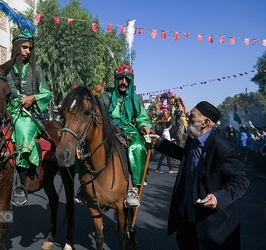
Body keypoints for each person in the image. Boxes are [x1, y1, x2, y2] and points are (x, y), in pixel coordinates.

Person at [150, 101, 250, 249]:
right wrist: (158, 141)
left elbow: (241, 180)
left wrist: (219, 197)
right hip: (188, 219)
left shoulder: (222, 148)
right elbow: (184, 155)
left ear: (205, 123)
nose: (187, 116)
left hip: (212, 226)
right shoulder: (193, 139)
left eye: (192, 115)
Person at [6, 28, 52, 206]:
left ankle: (21, 184)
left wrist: (33, 97)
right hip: (9, 112)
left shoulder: (36, 69)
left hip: (29, 116)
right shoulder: (7, 69)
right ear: (17, 47)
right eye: (24, 47)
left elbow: (47, 93)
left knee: (23, 130)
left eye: (30, 48)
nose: (28, 51)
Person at [98, 63, 153, 207]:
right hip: (108, 129)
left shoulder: (137, 99)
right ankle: (84, 185)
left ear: (131, 81)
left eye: (127, 79)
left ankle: (133, 189)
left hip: (129, 130)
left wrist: (144, 126)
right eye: (121, 79)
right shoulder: (105, 97)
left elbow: (141, 117)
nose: (124, 82)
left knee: (137, 147)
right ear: (116, 80)